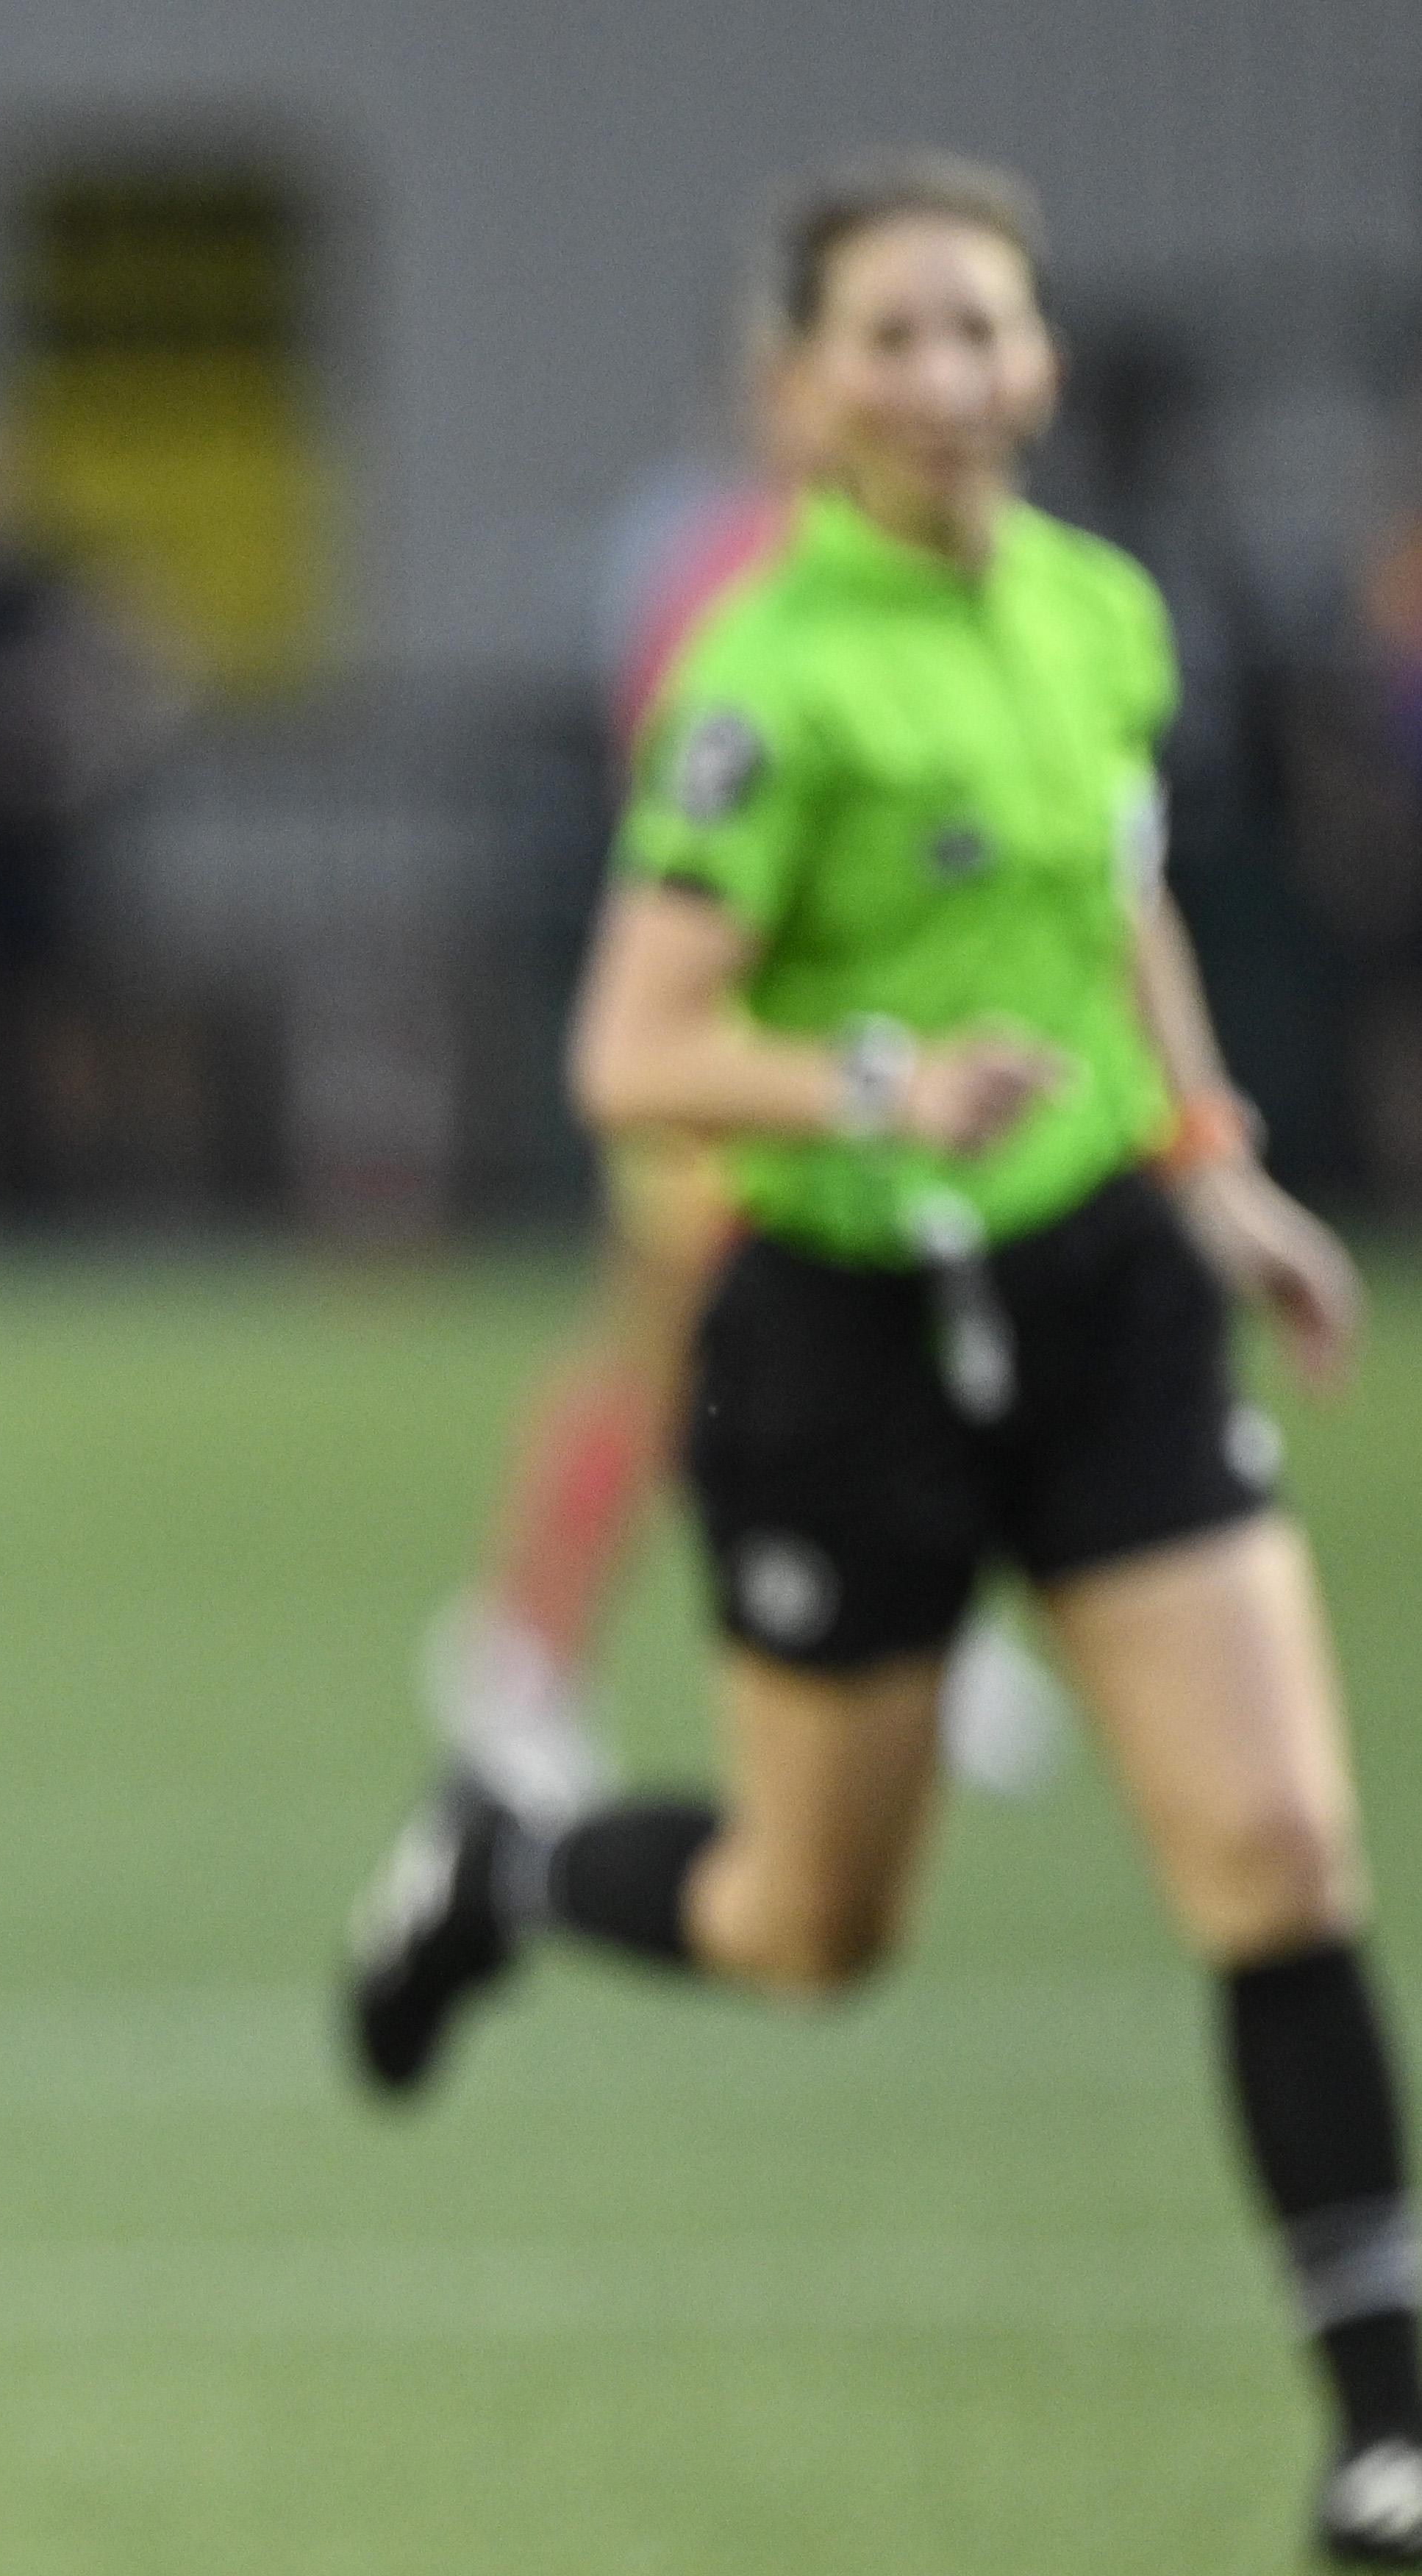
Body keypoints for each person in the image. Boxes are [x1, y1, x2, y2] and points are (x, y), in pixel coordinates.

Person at [343, 155, 1416, 2572]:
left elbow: (1108, 887)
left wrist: (1210, 1160)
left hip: (1096, 1299)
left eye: (979, 331)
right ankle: (503, 1874)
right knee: (802, 1928)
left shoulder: (1096, 616)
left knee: (1273, 1846)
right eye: (891, 338)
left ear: (1034, 363)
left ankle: (1378, 2430)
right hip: (840, 1327)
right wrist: (870, 1089)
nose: (943, 378)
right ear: (800, 385)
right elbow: (628, 1051)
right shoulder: (761, 685)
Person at [421, 329, 1068, 1820]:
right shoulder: (731, 576)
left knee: (894, 1331)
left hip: (871, 1054)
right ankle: (522, 1653)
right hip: (744, 1054)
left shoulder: (919, 579)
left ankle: (928, 1618)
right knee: (661, 1354)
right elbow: (708, 826)